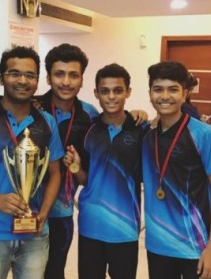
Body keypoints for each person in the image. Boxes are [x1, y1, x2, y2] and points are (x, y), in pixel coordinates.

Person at [36, 43, 148, 279]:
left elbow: (88, 168)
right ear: (48, 78)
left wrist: (140, 115)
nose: (66, 82)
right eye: (59, 74)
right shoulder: (31, 109)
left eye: (73, 75)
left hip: (62, 212)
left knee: (55, 272)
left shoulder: (90, 117)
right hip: (25, 208)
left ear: (82, 81)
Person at [0, 46, 64, 279]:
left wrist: (42, 214)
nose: (22, 80)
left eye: (30, 75)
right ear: (2, 78)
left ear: (37, 80)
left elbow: (55, 173)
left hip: (35, 234)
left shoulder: (47, 121)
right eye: (14, 73)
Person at [143, 60, 211, 279]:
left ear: (185, 93)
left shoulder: (203, 133)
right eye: (158, 89)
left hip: (195, 244)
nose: (164, 96)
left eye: (173, 89)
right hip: (158, 244)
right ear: (150, 93)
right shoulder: (146, 134)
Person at [64, 63, 148, 279]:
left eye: (118, 90)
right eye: (105, 91)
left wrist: (144, 114)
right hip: (90, 225)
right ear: (96, 94)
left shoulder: (141, 130)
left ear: (128, 92)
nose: (111, 97)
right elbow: (85, 179)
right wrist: (74, 165)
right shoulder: (88, 130)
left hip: (126, 227)